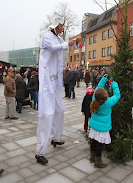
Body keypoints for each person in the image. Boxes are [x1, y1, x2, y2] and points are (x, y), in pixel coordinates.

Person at [35, 17, 81, 165]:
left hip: (55, 81)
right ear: (55, 26)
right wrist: (68, 43)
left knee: (59, 110)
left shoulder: (58, 37)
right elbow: (56, 48)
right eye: (60, 26)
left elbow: (63, 49)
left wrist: (74, 43)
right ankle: (39, 151)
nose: (62, 29)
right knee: (47, 114)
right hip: (47, 81)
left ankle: (56, 137)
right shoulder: (47, 37)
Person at [89, 75, 120, 168]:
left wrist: (103, 79)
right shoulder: (108, 102)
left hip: (94, 125)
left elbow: (98, 87)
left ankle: (92, 157)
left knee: (93, 141)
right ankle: (98, 162)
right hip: (103, 127)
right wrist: (114, 83)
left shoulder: (94, 99)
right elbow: (117, 95)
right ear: (105, 96)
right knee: (100, 143)